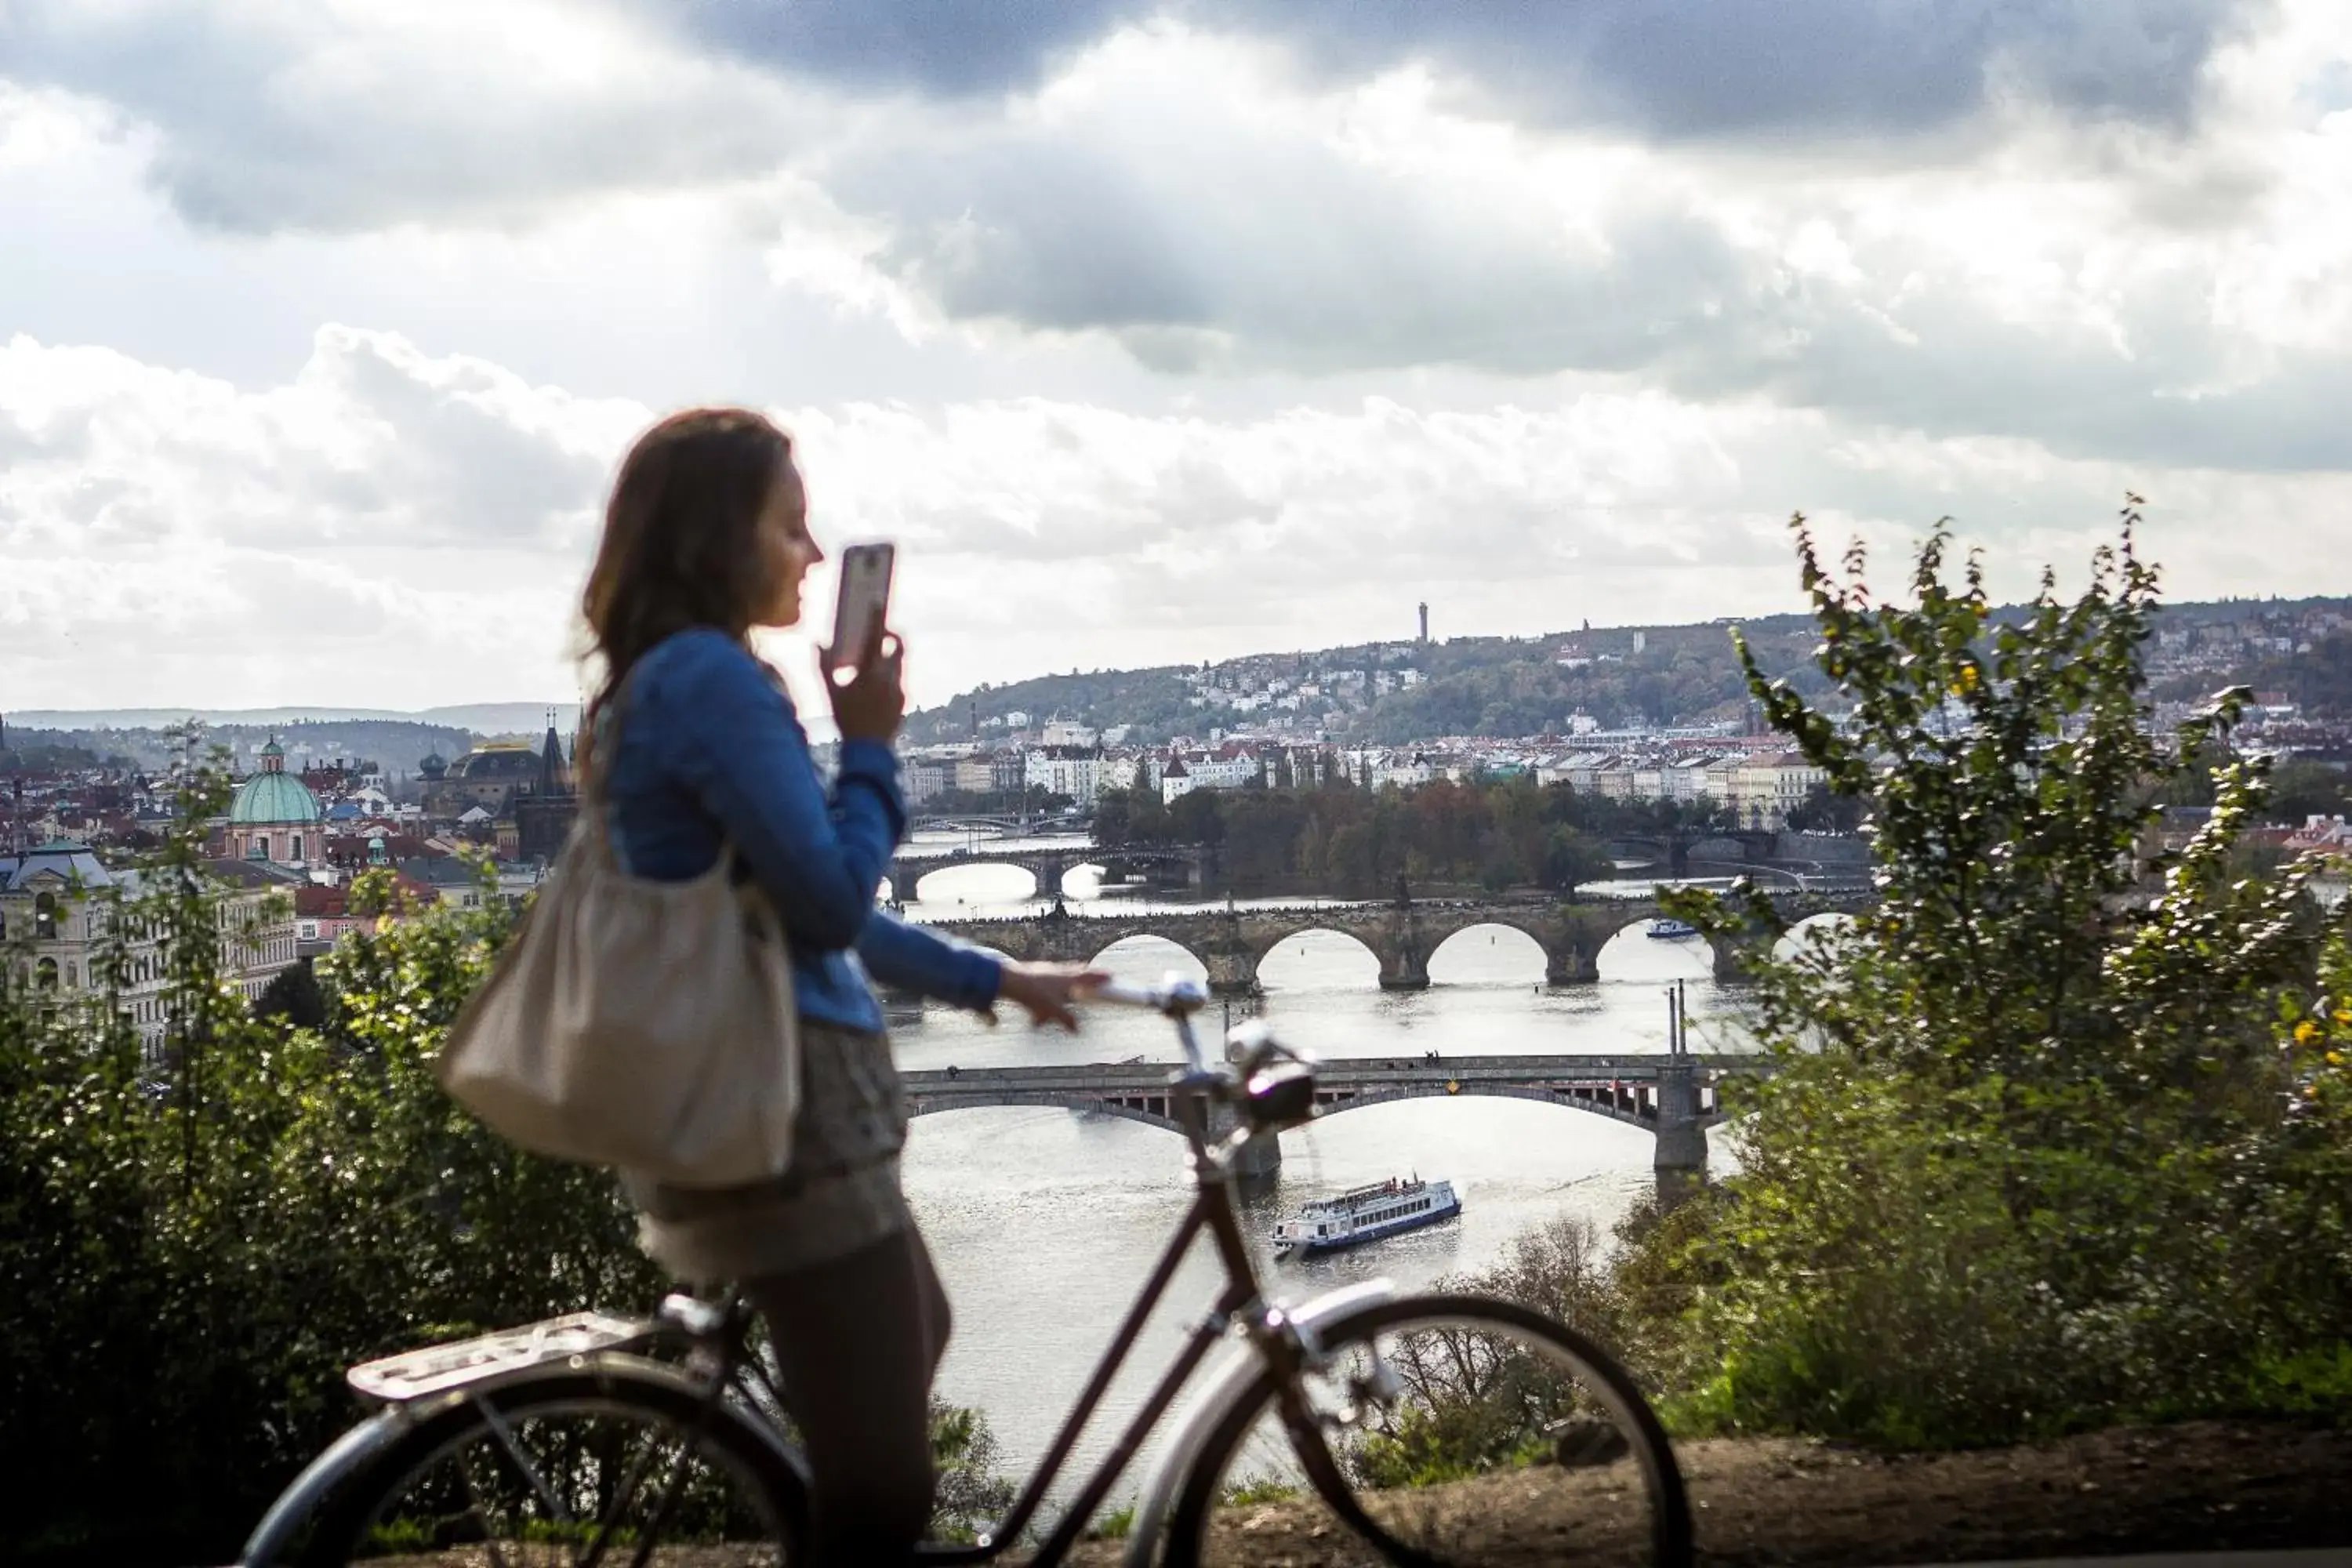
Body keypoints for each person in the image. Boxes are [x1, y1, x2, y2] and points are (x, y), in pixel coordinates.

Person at [578, 408, 1101, 1564]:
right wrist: (869, 745)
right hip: (787, 1108)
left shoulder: (668, 681)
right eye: (792, 526)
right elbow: (826, 903)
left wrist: (996, 974)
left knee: (922, 1329)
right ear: (720, 535)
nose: (814, 559)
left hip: (769, 1093)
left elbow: (814, 921)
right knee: (883, 1493)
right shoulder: (712, 682)